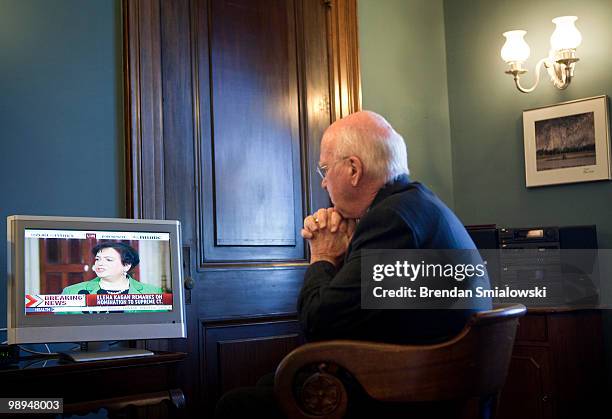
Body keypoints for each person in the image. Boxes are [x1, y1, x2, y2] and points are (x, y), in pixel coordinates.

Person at [214, 111, 491, 418]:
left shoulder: (391, 220)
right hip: (424, 382)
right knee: (273, 382)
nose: (323, 184)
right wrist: (347, 253)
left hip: (409, 397)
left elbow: (319, 324)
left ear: (354, 170)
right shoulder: (415, 205)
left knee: (236, 406)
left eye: (324, 170)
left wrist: (322, 255)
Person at [62, 241, 162, 295]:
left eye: (108, 260)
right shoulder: (72, 292)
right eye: (98, 259)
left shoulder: (152, 292)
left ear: (126, 266)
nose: (99, 264)